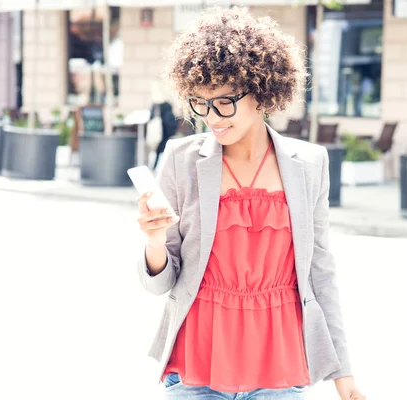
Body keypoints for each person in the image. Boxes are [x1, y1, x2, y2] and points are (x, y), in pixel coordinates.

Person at [136, 7, 364, 400]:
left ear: (261, 92)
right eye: (200, 103)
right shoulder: (180, 159)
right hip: (197, 369)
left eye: (224, 102)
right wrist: (154, 242)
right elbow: (161, 283)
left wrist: (344, 378)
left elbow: (320, 276)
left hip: (280, 370)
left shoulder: (309, 164)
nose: (212, 117)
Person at [149, 102, 178, 170]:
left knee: (159, 153)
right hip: (167, 137)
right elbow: (173, 126)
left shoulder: (162, 115)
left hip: (162, 137)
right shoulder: (170, 114)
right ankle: (158, 167)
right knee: (163, 153)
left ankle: (155, 167)